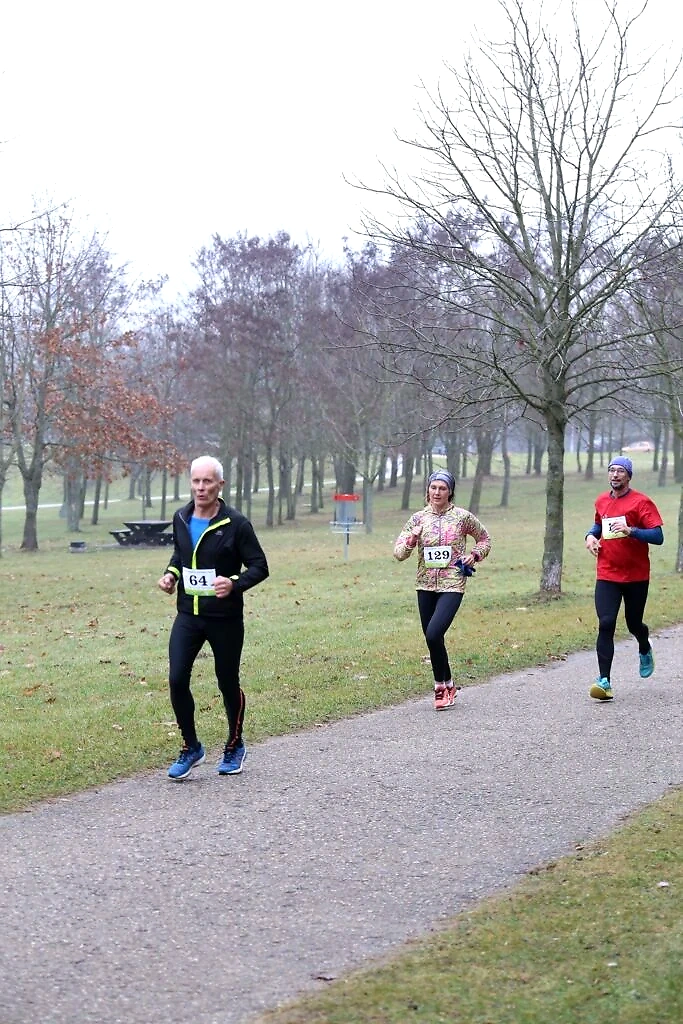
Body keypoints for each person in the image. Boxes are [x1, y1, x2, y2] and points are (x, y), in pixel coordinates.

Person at [158, 456, 269, 780]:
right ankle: (191, 746)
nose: (201, 488)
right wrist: (170, 575)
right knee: (177, 678)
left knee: (226, 680)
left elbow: (260, 566)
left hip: (224, 617)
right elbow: (180, 555)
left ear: (220, 485)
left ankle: (234, 745)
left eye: (207, 482)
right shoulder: (181, 517)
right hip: (188, 615)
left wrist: (234, 583)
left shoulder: (237, 524)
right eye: (196, 481)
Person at [393, 470, 492, 710]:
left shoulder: (461, 517)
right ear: (427, 490)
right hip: (425, 584)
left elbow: (485, 539)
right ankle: (448, 684)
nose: (437, 492)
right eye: (433, 487)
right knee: (433, 639)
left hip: (452, 583)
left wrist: (475, 555)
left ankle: (439, 687)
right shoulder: (418, 519)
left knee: (434, 634)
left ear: (450, 492)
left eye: (442, 488)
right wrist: (410, 541)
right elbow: (398, 554)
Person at [584, 456, 664, 702]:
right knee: (606, 622)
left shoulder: (641, 502)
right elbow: (598, 525)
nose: (615, 475)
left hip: (636, 575)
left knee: (633, 623)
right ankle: (604, 681)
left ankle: (643, 644)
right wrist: (589, 537)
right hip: (607, 572)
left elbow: (658, 536)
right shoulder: (601, 500)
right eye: (612, 470)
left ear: (629, 476)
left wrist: (632, 531)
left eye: (620, 471)